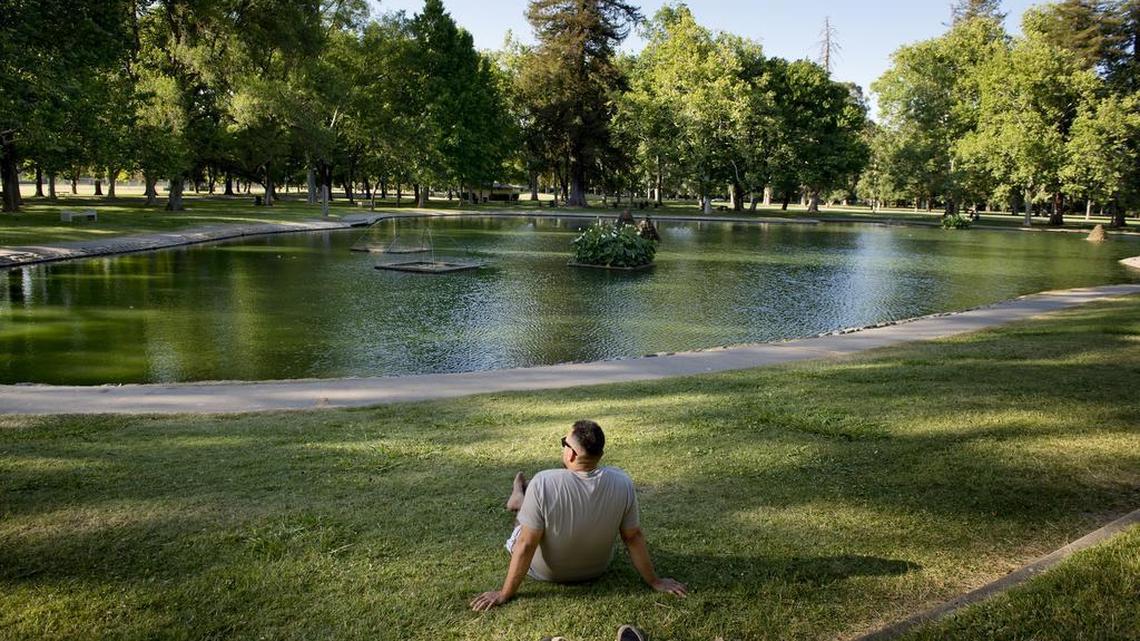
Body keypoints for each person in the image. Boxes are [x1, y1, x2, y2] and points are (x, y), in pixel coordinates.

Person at [470, 420, 687, 611]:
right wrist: (655, 581)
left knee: (522, 527)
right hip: (597, 569)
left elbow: (526, 544)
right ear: (600, 455)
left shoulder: (543, 481)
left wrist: (504, 593)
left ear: (571, 453)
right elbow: (633, 537)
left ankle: (519, 502)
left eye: (564, 442)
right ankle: (521, 501)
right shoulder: (623, 482)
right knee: (536, 512)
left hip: (546, 573)